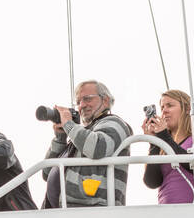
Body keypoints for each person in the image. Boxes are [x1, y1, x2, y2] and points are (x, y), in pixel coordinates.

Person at [42, 80, 132, 208]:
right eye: (78, 102)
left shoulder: (115, 123)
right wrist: (60, 138)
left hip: (93, 210)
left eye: (87, 99)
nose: (82, 105)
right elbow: (46, 172)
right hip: (63, 212)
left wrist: (68, 124)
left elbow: (98, 148)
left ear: (105, 100)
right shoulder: (80, 135)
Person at [140, 90, 194, 204]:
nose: (164, 111)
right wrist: (154, 143)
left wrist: (163, 136)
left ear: (187, 109)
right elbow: (151, 181)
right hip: (168, 211)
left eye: (170, 105)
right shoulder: (164, 145)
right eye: (162, 107)